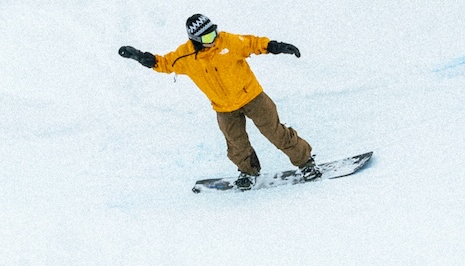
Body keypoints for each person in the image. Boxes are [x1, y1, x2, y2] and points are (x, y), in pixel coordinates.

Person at [119, 14, 317, 188]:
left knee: (275, 133)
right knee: (236, 143)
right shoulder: (186, 56)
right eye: (207, 37)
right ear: (195, 40)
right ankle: (248, 172)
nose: (213, 39)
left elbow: (254, 44)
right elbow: (163, 63)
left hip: (252, 97)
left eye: (214, 32)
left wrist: (278, 47)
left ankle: (306, 163)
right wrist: (139, 56)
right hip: (224, 108)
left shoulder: (228, 41)